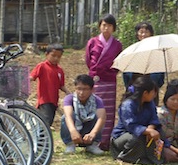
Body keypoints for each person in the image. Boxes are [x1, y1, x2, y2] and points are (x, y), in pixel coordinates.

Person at [86, 14, 123, 150]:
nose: (106, 28)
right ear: (100, 26)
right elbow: (88, 60)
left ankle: (105, 141)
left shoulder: (117, 44)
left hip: (110, 81)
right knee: (94, 108)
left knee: (108, 110)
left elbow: (118, 62)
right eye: (103, 25)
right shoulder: (93, 42)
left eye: (109, 25)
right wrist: (95, 72)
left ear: (113, 28)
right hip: (96, 80)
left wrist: (111, 72)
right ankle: (92, 140)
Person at [110, 76, 164, 164]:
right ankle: (125, 157)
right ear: (145, 93)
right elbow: (131, 126)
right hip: (123, 136)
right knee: (135, 138)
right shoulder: (127, 105)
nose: (155, 95)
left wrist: (151, 129)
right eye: (153, 92)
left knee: (159, 133)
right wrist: (148, 131)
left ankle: (150, 157)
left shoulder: (150, 103)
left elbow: (154, 119)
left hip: (144, 133)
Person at [61, 75, 107, 155]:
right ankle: (70, 144)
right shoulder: (69, 99)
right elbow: (68, 116)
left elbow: (101, 118)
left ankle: (92, 145)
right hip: (75, 129)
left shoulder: (97, 100)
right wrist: (73, 131)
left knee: (98, 117)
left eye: (85, 89)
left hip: (89, 131)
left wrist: (93, 133)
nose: (81, 93)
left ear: (92, 90)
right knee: (65, 117)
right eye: (79, 89)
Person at [30, 43, 67, 125]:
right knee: (45, 122)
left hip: (54, 101)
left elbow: (61, 85)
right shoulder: (42, 66)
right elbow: (32, 77)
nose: (56, 58)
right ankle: (41, 137)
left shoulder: (60, 70)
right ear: (47, 54)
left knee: (48, 121)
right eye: (53, 56)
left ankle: (42, 137)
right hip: (44, 100)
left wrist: (68, 92)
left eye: (58, 57)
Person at [122, 22, 165, 88]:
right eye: (141, 32)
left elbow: (160, 75)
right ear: (137, 34)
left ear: (151, 34)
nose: (144, 34)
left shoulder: (156, 52)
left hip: (152, 89)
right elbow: (126, 74)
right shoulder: (131, 51)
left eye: (147, 32)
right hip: (134, 88)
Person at [155, 81, 178, 163]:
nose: (176, 102)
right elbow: (161, 138)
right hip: (163, 145)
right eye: (172, 99)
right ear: (166, 99)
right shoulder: (160, 114)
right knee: (171, 156)